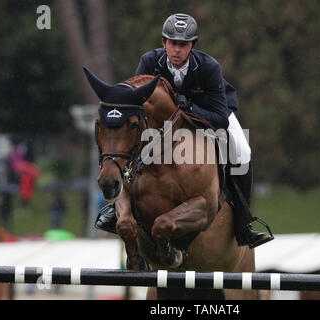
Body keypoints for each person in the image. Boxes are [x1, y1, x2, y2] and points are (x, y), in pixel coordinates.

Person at [96, 13, 272, 248]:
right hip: (164, 122)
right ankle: (116, 209)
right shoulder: (149, 62)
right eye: (172, 43)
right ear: (163, 43)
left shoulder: (208, 67)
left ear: (192, 45)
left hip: (211, 113)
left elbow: (219, 118)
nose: (176, 50)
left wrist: (189, 106)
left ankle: (243, 222)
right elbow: (135, 105)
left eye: (183, 44)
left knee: (242, 151)